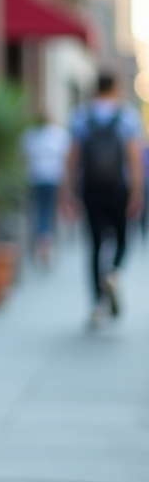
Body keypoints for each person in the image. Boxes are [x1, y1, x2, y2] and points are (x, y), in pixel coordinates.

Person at [61, 71, 144, 326]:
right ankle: (114, 274)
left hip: (91, 189)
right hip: (119, 189)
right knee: (122, 239)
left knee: (95, 245)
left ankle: (98, 305)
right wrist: (137, 192)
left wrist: (67, 191)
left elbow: (72, 158)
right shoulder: (127, 116)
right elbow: (134, 159)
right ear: (115, 87)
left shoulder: (81, 116)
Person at [21, 113, 71, 266]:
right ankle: (46, 241)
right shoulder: (59, 134)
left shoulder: (30, 134)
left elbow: (23, 156)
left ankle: (42, 240)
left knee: (40, 210)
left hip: (36, 177)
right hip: (53, 177)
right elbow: (66, 158)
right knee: (48, 210)